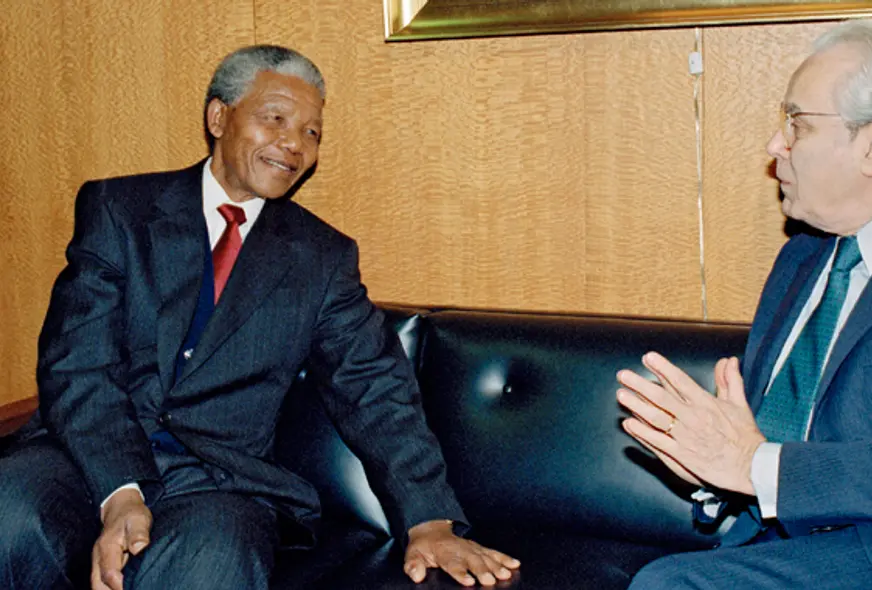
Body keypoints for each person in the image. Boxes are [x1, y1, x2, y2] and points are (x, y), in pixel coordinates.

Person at [0, 45, 519, 590]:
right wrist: (121, 489)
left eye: (312, 132)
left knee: (211, 567)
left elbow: (372, 386)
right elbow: (77, 362)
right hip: (85, 456)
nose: (295, 144)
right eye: (275, 119)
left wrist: (428, 520)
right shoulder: (119, 210)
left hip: (217, 483)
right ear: (218, 117)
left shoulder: (321, 257)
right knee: (9, 511)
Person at [616, 19, 872, 589]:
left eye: (797, 124)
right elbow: (766, 442)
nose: (776, 146)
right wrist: (716, 472)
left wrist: (752, 465)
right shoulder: (803, 256)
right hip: (787, 547)